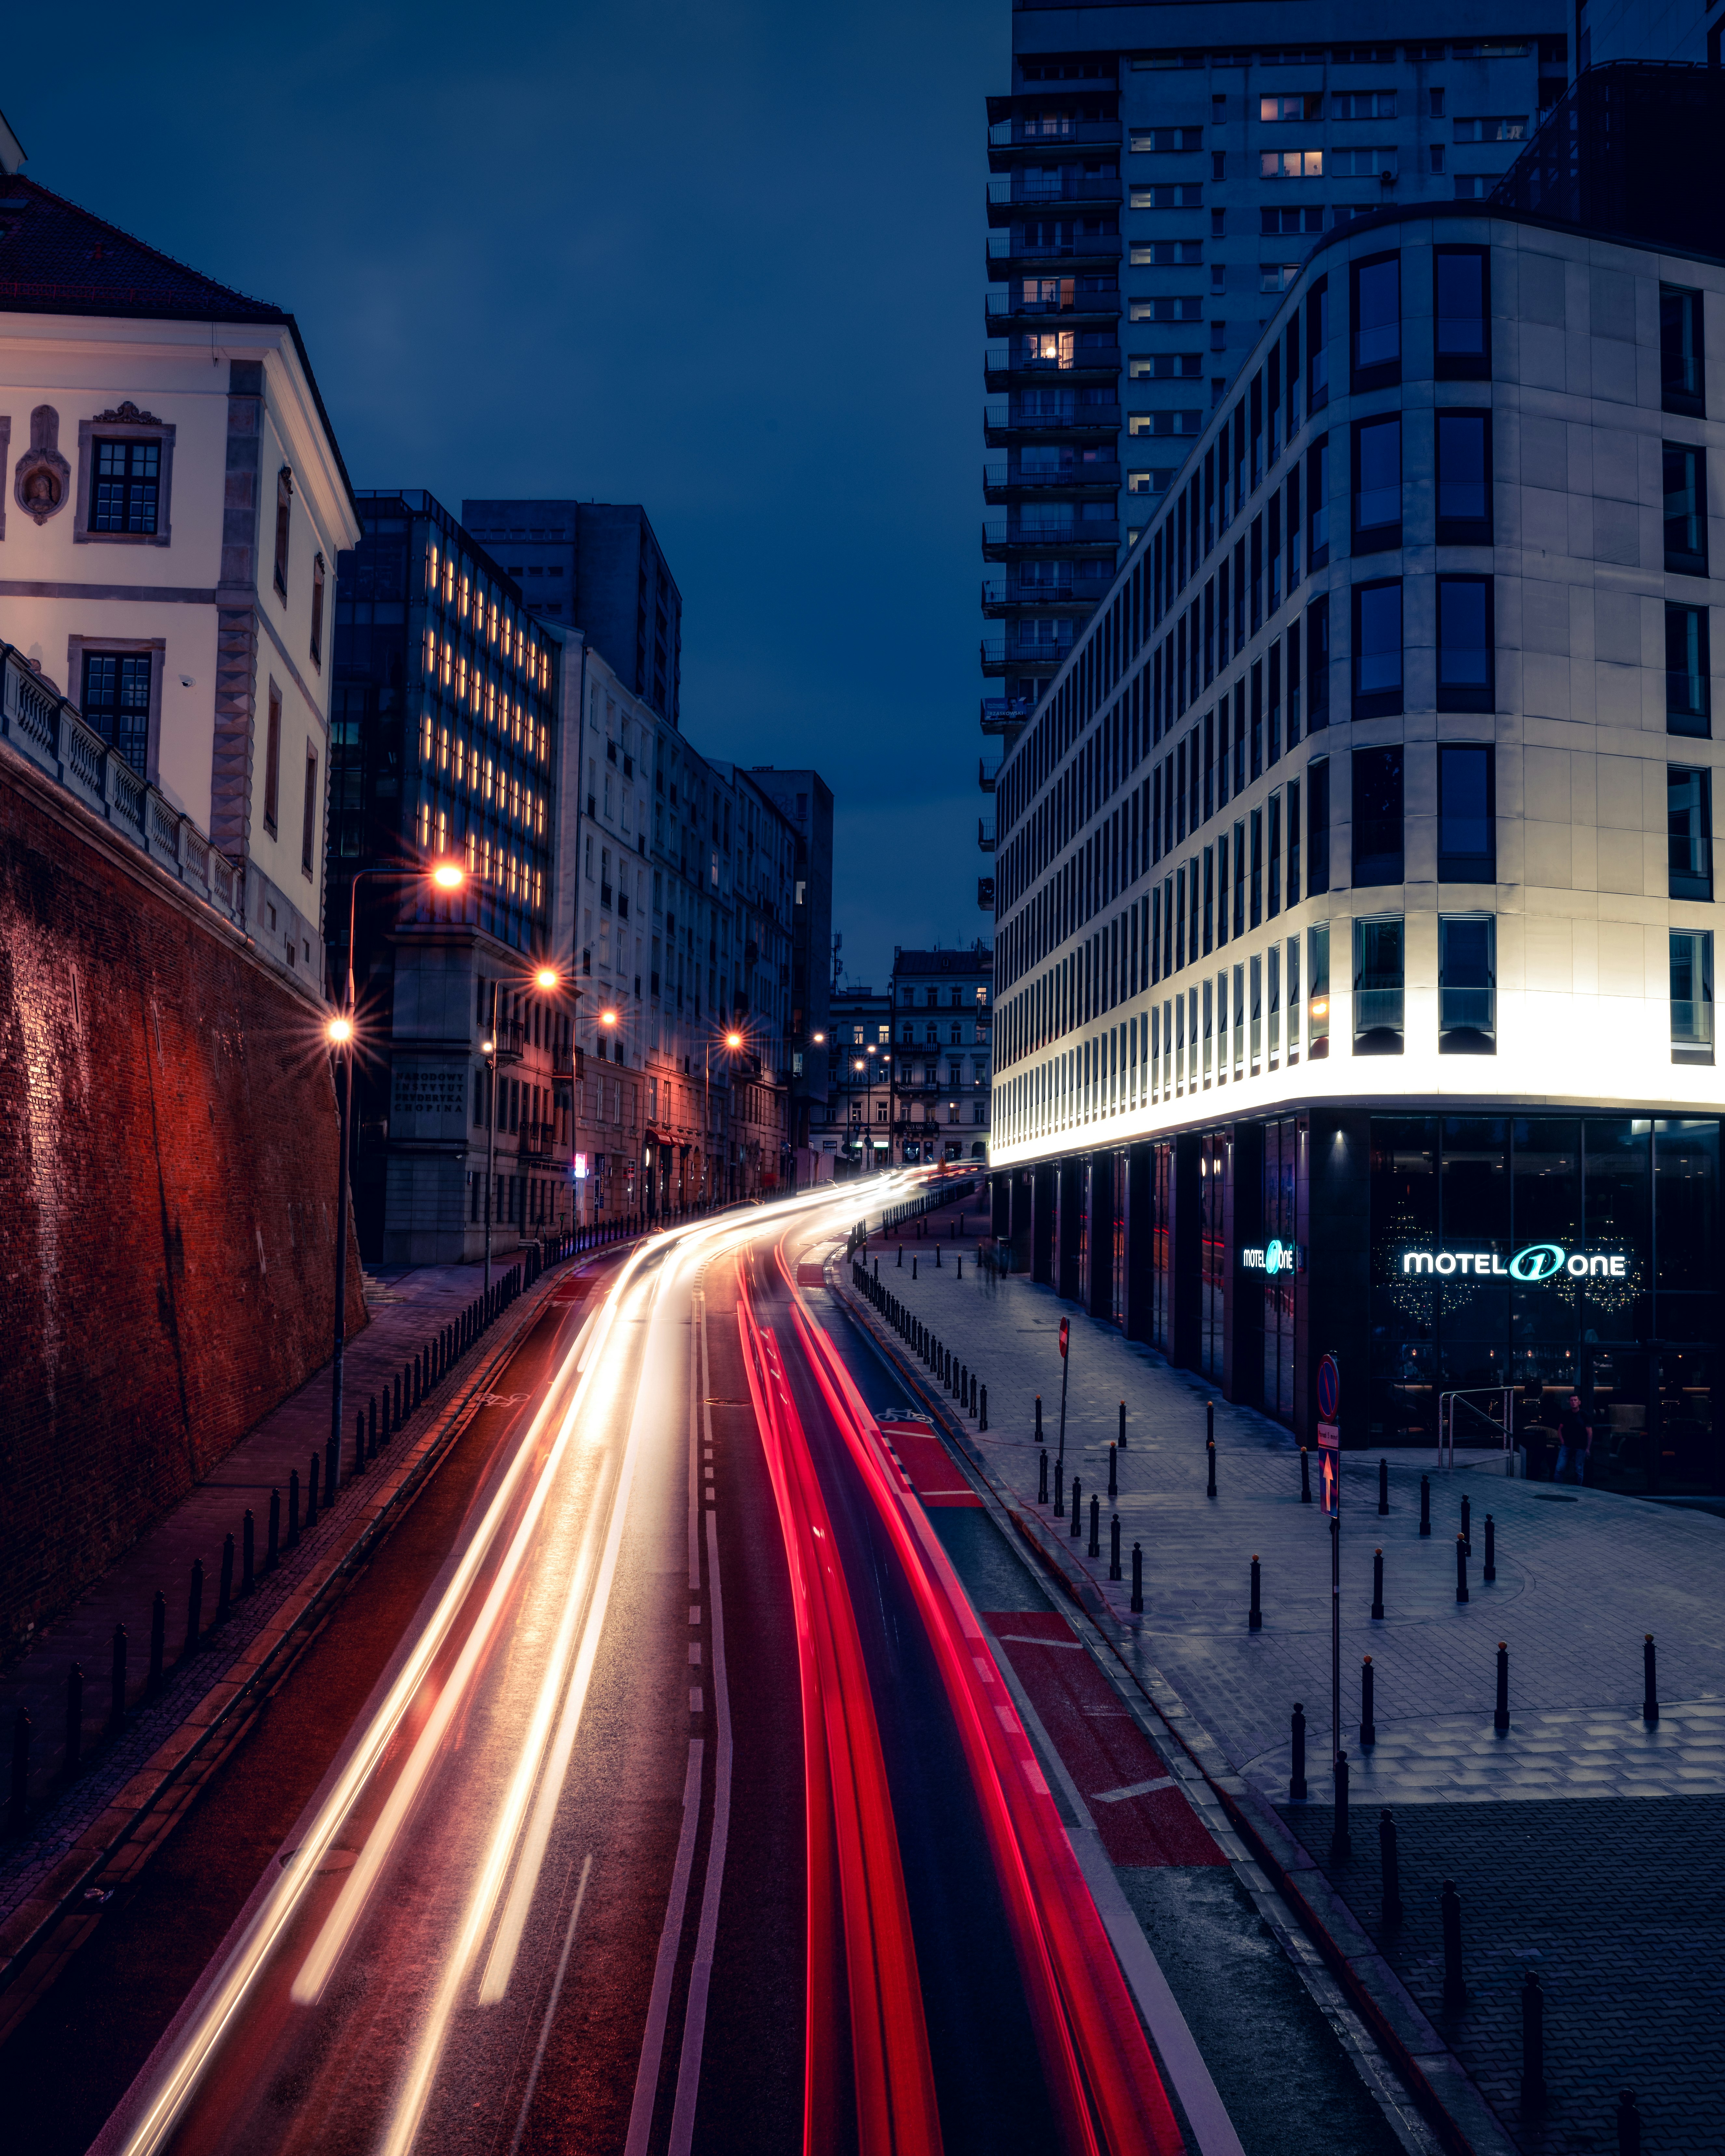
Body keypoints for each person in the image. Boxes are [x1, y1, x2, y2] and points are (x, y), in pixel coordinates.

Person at [1555, 1395, 1592, 1485]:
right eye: (1572, 1400)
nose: (1573, 1402)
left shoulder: (1584, 1415)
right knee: (1559, 1469)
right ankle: (1557, 1488)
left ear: (1579, 1402)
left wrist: (1588, 1448)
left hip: (1580, 1446)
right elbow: (1560, 1429)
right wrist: (1562, 1441)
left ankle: (1578, 1490)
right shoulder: (1566, 1414)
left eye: (1575, 1400)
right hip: (1567, 1445)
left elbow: (1590, 1433)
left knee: (1579, 1469)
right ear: (1569, 1402)